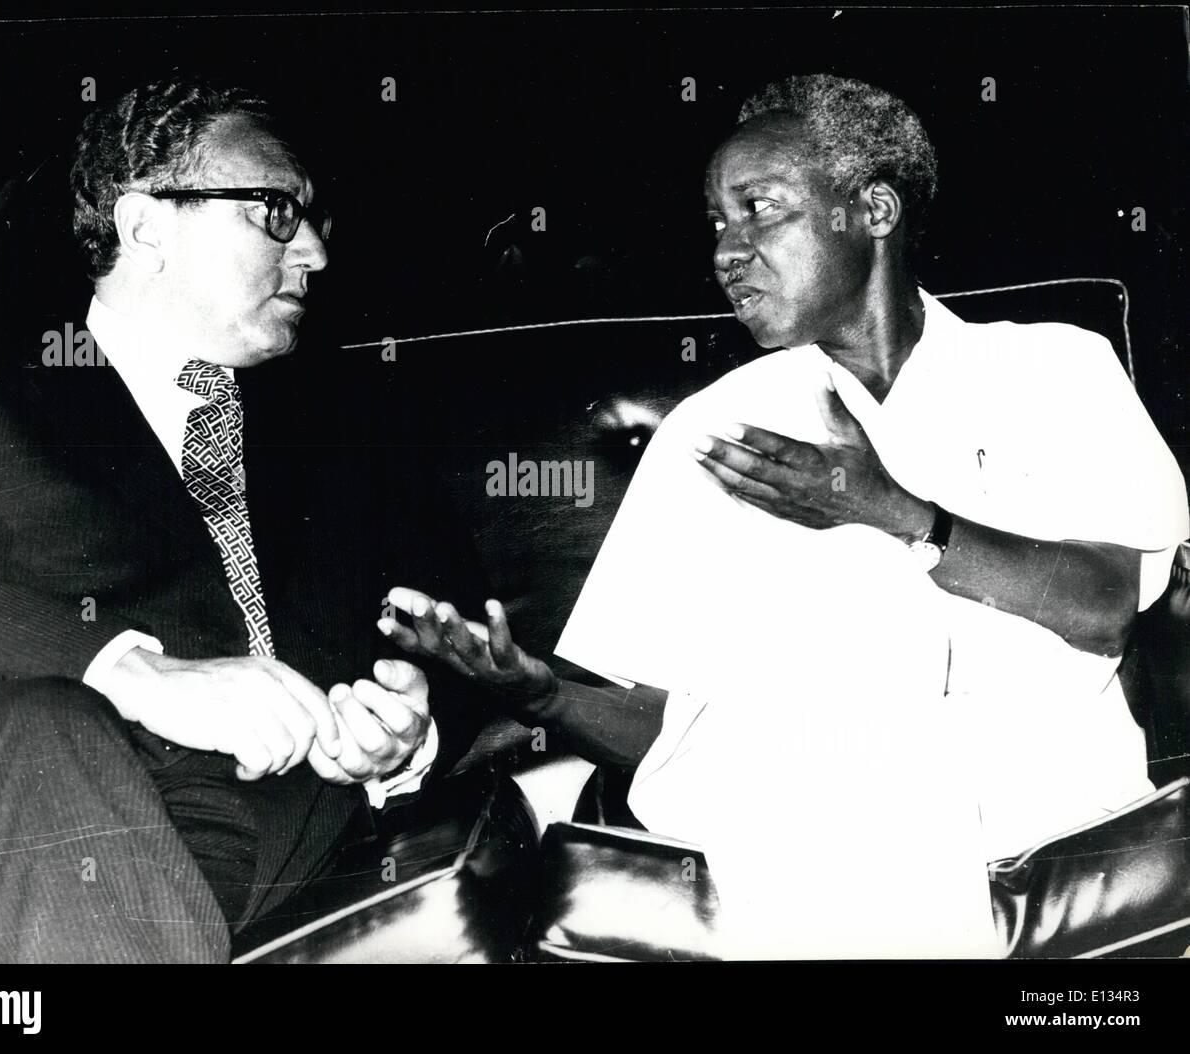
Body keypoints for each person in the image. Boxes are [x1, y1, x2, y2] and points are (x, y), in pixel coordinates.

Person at [382, 74, 1189, 957]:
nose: (727, 250)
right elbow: (662, 725)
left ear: (872, 210)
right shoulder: (715, 431)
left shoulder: (1055, 372)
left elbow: (1104, 604)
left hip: (1049, 855)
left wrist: (892, 511)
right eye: (716, 224)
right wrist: (545, 699)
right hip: (799, 884)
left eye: (758, 210)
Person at [0, 75, 498, 963]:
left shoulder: (353, 440)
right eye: (275, 212)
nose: (317, 255)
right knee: (46, 731)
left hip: (235, 860)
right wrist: (139, 674)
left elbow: (458, 632)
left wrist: (408, 732)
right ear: (145, 228)